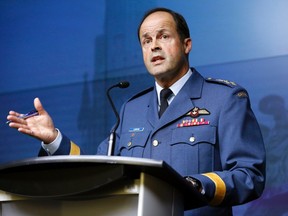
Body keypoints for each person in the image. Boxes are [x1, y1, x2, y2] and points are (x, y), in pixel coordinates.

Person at [7, 7, 265, 216]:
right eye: (146, 40)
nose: (154, 46)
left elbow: (248, 175)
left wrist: (197, 186)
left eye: (163, 36)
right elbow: (98, 169)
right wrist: (53, 139)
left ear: (186, 45)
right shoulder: (132, 108)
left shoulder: (225, 98)